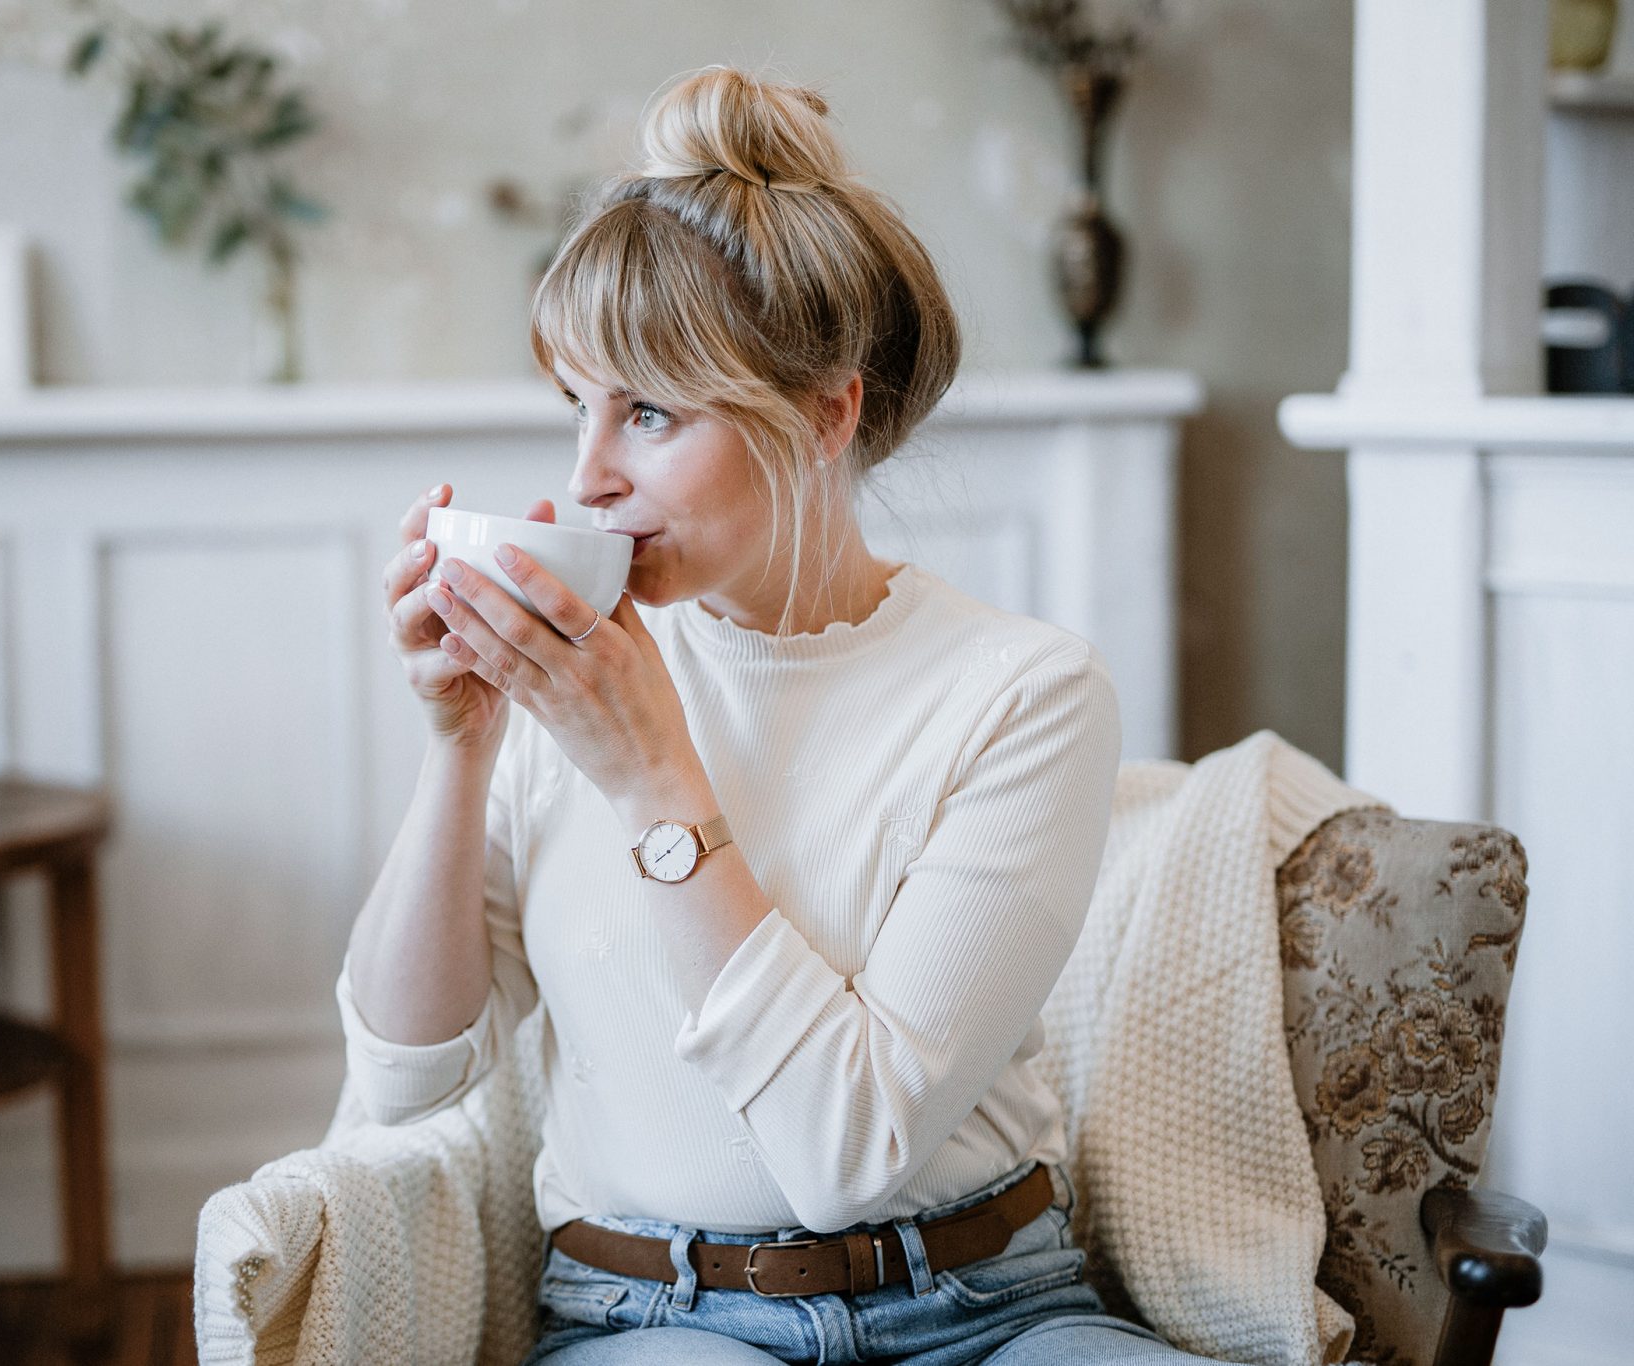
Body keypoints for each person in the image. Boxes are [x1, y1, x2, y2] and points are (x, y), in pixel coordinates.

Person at [340, 64, 1221, 1365]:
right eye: (576, 406)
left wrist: (652, 780)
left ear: (825, 412)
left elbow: (848, 1153)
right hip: (654, 1311)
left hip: (986, 1307)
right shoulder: (575, 671)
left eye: (647, 411)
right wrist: (461, 747)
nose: (587, 476)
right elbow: (406, 1073)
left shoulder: (1022, 693)